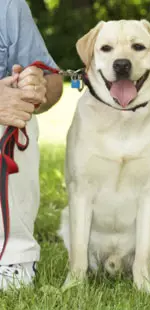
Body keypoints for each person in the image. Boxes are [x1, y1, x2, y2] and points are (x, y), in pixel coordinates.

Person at [0, 0, 63, 290]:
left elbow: (53, 81)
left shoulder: (8, 7)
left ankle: (13, 258)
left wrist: (36, 87)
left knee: (16, 110)